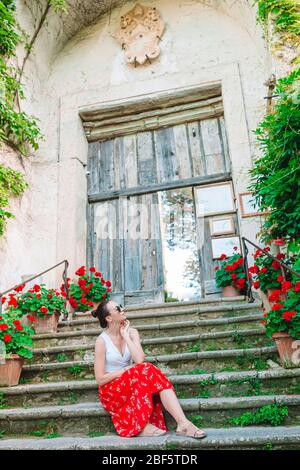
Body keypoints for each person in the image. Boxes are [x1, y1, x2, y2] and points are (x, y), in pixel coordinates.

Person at [93, 299, 207, 439]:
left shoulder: (132, 332)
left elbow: (139, 360)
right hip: (111, 388)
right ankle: (144, 425)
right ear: (109, 318)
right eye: (117, 308)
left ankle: (183, 423)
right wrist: (125, 370)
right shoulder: (101, 341)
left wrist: (125, 335)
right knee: (146, 369)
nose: (122, 309)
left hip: (131, 381)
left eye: (121, 306)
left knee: (147, 369)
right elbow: (100, 379)